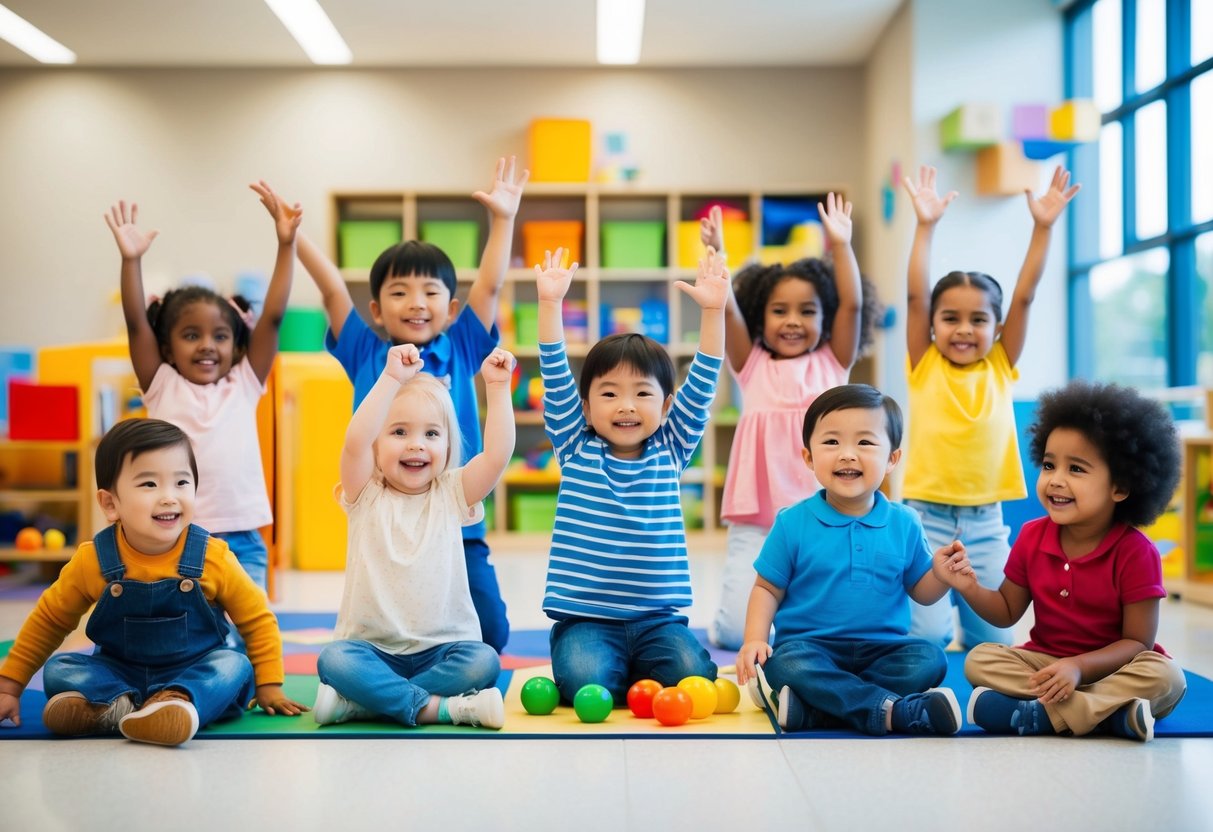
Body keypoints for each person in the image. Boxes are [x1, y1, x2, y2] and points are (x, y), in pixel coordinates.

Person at [296, 157, 528, 653]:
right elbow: (332, 289)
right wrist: (293, 237)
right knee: (382, 629)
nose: (417, 302)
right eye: (399, 292)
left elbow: (490, 285)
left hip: (451, 511)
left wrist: (504, 218)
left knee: (491, 633)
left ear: (451, 308)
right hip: (386, 518)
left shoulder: (462, 345)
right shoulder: (365, 350)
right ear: (377, 309)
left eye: (430, 292)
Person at [0, 419, 307, 746]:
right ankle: (118, 704)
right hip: (117, 671)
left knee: (233, 665)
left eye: (181, 482)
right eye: (149, 484)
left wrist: (270, 686)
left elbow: (257, 619)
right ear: (110, 504)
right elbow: (49, 620)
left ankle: (174, 703)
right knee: (60, 669)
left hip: (194, 670)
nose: (169, 497)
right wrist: (10, 686)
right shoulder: (94, 560)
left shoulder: (212, 557)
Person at [932, 380, 1187, 742]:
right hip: (1046, 663)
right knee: (980, 660)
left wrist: (1079, 668)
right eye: (1049, 465)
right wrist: (968, 586)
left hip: (1113, 669)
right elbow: (1006, 611)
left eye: (1076, 469)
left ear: (1120, 487)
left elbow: (1137, 643)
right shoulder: (1032, 536)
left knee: (1167, 678)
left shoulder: (1137, 552)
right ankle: (1109, 714)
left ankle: (1047, 714)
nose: (1055, 480)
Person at [535, 245, 729, 706]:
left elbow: (704, 377)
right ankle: (601, 660)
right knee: (586, 684)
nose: (626, 406)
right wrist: (549, 303)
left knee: (691, 675)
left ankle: (635, 665)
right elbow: (554, 368)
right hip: (586, 619)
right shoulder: (575, 444)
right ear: (585, 408)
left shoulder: (671, 447)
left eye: (642, 393)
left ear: (666, 406)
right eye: (609, 394)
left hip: (657, 621)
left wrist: (713, 312)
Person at [901, 164, 1080, 650]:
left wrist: (1042, 228)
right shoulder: (924, 363)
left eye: (978, 319)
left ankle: (968, 631)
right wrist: (925, 226)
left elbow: (1025, 296)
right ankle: (929, 632)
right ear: (932, 325)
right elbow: (915, 296)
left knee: (994, 641)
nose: (964, 329)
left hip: (985, 523)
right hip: (926, 520)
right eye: (950, 318)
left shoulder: (1000, 362)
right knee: (926, 639)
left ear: (997, 327)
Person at [735, 384, 973, 736]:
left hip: (884, 651)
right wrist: (755, 639)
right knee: (785, 663)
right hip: (812, 649)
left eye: (864, 442)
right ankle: (892, 711)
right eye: (832, 442)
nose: (847, 455)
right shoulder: (791, 522)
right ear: (809, 457)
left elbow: (921, 591)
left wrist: (940, 576)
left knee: (930, 659)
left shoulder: (905, 522)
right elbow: (767, 589)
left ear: (892, 459)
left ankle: (819, 710)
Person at [699, 197, 880, 649]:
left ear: (825, 316)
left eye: (807, 311)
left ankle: (795, 619)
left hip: (823, 518)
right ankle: (754, 620)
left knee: (830, 626)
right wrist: (718, 253)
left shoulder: (833, 362)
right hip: (758, 521)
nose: (793, 321)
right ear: (761, 316)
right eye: (780, 311)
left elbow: (852, 305)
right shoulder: (751, 363)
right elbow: (726, 308)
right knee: (733, 634)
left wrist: (842, 246)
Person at [105, 182, 302, 592]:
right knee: (185, 626)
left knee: (249, 627)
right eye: (191, 335)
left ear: (236, 344)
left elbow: (272, 318)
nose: (207, 345)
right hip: (176, 535)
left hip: (242, 539)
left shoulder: (244, 383)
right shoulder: (162, 385)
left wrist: (286, 245)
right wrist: (131, 260)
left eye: (220, 336)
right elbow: (137, 323)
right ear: (167, 347)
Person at [312, 343, 517, 730]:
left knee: (484, 661)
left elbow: (496, 456)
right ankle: (443, 709)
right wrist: (391, 378)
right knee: (334, 660)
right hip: (371, 651)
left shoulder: (452, 492)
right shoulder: (365, 493)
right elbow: (354, 442)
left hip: (442, 651)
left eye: (431, 433)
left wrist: (498, 388)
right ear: (377, 444)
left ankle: (369, 703)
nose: (416, 444)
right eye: (399, 432)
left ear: (447, 445)